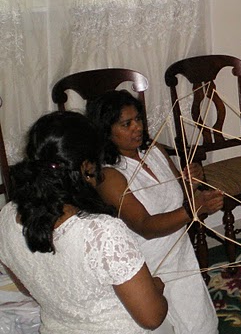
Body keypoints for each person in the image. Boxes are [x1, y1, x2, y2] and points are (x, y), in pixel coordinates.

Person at [0, 111, 168, 333]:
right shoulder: (101, 231)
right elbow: (152, 317)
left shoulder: (7, 216)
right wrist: (156, 288)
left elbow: (26, 287)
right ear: (87, 167)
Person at [87, 90, 222, 334]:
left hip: (180, 250)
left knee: (202, 324)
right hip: (150, 264)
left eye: (138, 119)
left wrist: (192, 183)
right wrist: (193, 208)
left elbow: (179, 195)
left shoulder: (154, 150)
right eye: (126, 124)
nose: (137, 128)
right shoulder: (109, 176)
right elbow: (144, 226)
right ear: (106, 131)